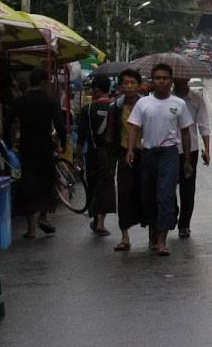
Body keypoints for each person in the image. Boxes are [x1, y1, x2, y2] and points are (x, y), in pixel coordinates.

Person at [126, 63, 193, 257]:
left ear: (170, 81)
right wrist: (130, 150)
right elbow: (134, 128)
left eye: (165, 78)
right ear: (152, 81)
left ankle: (162, 239)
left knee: (165, 194)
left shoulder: (178, 104)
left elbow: (186, 132)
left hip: (169, 154)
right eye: (158, 78)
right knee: (149, 195)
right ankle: (153, 232)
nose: (161, 82)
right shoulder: (143, 103)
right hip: (148, 154)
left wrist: (187, 159)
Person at [4, 68, 65, 239]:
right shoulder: (51, 102)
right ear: (44, 82)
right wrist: (64, 142)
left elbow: (7, 122)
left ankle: (30, 229)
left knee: (28, 185)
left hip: (26, 148)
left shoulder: (19, 101)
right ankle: (43, 217)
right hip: (45, 148)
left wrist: (8, 144)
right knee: (47, 182)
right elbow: (60, 125)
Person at [108, 68, 144, 251]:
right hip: (123, 154)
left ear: (139, 85)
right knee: (123, 193)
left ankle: (154, 235)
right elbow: (110, 133)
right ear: (120, 86)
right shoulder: (115, 107)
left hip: (145, 154)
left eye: (132, 83)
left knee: (147, 193)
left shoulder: (146, 104)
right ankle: (125, 236)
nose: (129, 87)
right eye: (125, 83)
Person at [77, 74, 116, 237]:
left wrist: (77, 158)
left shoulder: (88, 109)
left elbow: (81, 137)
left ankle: (96, 219)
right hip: (110, 153)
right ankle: (100, 220)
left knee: (93, 183)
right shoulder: (116, 107)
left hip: (93, 152)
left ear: (97, 90)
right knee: (106, 184)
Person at [173, 76, 210, 238]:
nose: (180, 80)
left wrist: (207, 149)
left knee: (188, 189)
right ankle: (172, 212)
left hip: (191, 150)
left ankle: (184, 224)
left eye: (183, 78)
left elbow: (203, 124)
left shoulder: (197, 100)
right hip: (169, 149)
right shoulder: (166, 98)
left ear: (187, 78)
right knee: (166, 186)